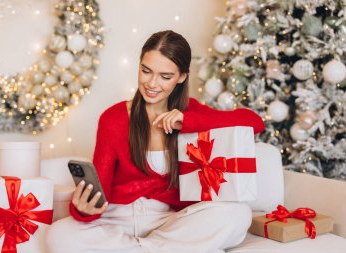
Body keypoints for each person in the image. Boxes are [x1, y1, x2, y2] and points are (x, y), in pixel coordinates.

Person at [46, 30, 265, 253]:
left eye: (165, 76)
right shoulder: (113, 118)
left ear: (181, 77)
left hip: (168, 220)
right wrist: (84, 209)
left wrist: (188, 121)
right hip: (116, 218)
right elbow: (101, 191)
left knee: (238, 214)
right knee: (59, 234)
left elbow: (254, 122)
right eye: (146, 71)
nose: (152, 83)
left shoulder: (191, 112)